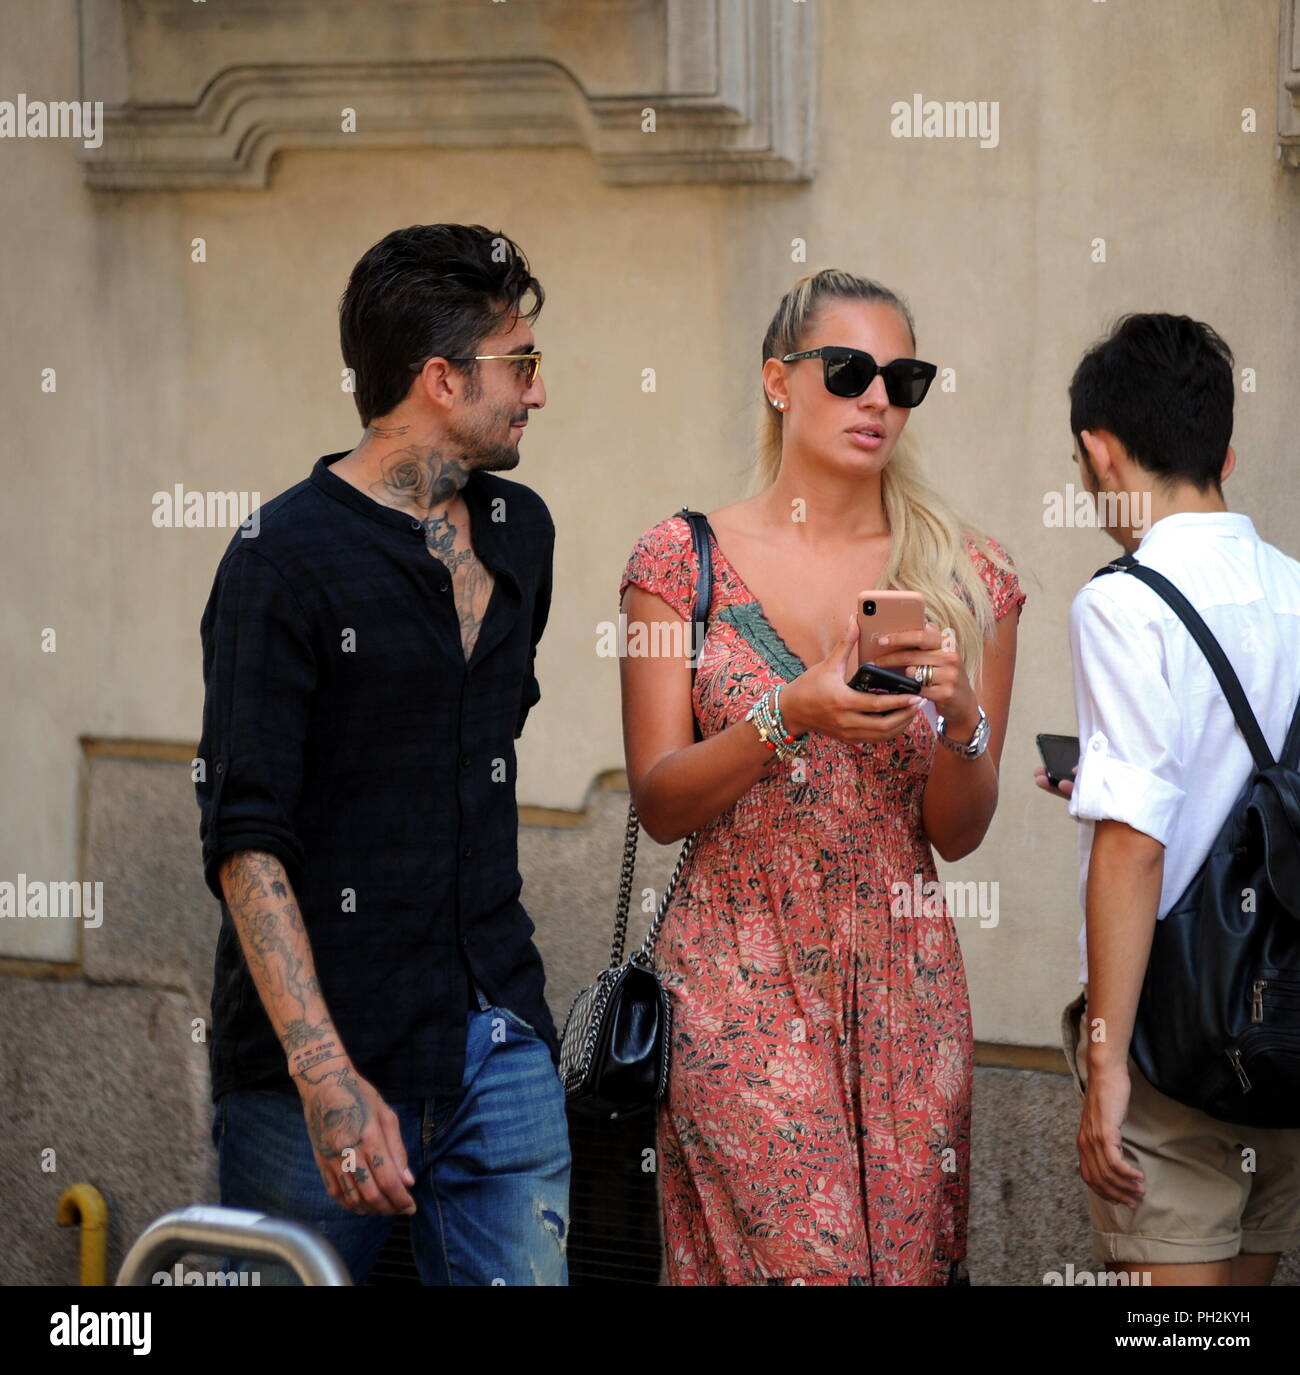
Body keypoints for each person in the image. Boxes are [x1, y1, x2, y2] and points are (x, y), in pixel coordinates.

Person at [618, 268, 1025, 1285]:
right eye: (848, 371)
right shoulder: (679, 563)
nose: (878, 398)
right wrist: (786, 713)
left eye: (903, 378)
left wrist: (964, 720)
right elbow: (660, 800)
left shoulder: (969, 574)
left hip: (906, 985)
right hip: (734, 977)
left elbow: (958, 830)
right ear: (777, 381)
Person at [195, 223, 570, 1285]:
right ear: (441, 378)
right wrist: (324, 1076)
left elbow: (478, 757)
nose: (537, 392)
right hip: (319, 1064)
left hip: (498, 1035)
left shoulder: (521, 534)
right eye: (522, 364)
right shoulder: (281, 561)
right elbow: (245, 841)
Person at [1039, 312, 1300, 1285]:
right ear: (1221, 448)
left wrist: (1104, 1065)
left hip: (1176, 1035)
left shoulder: (1120, 601)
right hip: (1282, 1031)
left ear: (1101, 452)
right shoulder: (1293, 589)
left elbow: (1134, 844)